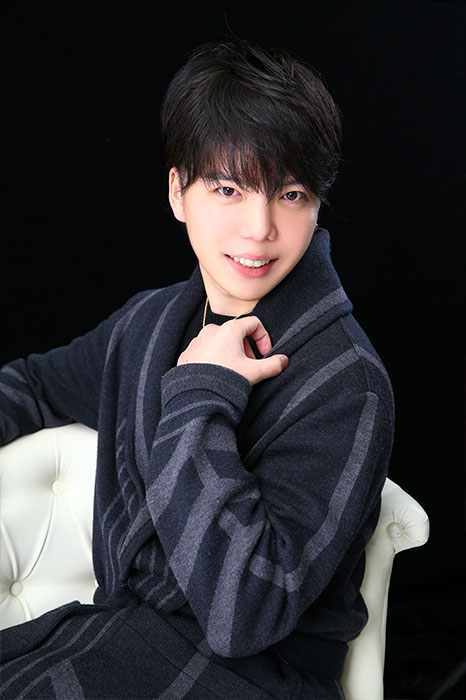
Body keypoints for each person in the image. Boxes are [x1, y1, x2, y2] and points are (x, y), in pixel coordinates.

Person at [0, 40, 394, 699]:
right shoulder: (151, 323)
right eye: (229, 189)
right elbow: (34, 385)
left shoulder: (348, 382)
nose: (259, 228)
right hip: (120, 637)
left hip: (250, 680)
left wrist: (203, 391)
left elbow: (244, 615)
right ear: (178, 192)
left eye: (290, 194)